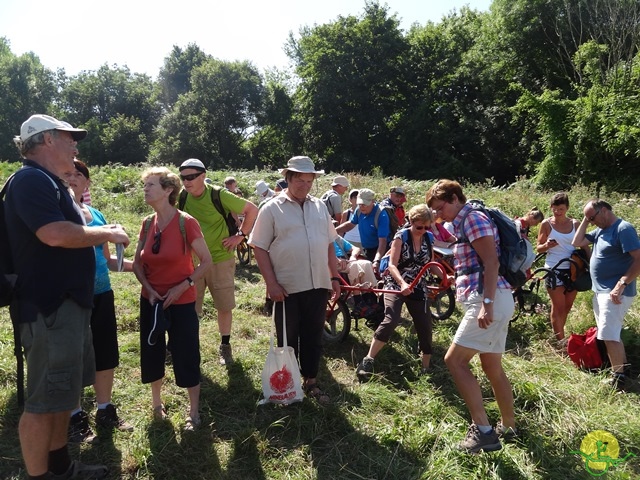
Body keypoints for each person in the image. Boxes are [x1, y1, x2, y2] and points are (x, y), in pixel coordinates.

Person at [7, 114, 130, 479]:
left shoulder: (50, 182)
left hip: (67, 308)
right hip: (49, 310)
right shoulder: (30, 180)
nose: (75, 145)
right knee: (42, 403)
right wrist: (106, 232)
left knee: (62, 395)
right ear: (46, 140)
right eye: (68, 137)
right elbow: (55, 234)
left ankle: (63, 467)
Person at [426, 179, 515, 454]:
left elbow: (492, 262)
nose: (439, 215)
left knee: (455, 361)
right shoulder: (463, 221)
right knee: (492, 367)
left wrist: (486, 304)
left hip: (487, 300)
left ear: (454, 198)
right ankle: (509, 426)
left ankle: (483, 432)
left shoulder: (473, 219)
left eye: (440, 208)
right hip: (493, 300)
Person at [249, 156, 341, 405]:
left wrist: (333, 276)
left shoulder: (320, 207)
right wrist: (271, 284)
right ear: (288, 178)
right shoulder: (271, 208)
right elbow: (259, 247)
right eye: (299, 179)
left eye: (309, 180)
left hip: (319, 283)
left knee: (313, 335)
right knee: (288, 338)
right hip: (286, 287)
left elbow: (329, 243)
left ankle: (311, 382)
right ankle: (286, 386)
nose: (304, 184)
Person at [133, 167, 212, 429]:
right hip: (152, 302)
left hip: (182, 301)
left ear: (168, 190)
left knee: (186, 353)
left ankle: (194, 412)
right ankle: (157, 404)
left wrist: (182, 286)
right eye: (144, 185)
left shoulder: (185, 222)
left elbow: (206, 262)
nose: (145, 189)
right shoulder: (146, 223)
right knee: (152, 352)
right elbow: (136, 265)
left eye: (151, 185)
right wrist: (150, 289)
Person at [65, 159, 134, 444]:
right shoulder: (59, 212)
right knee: (73, 355)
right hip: (71, 295)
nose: (72, 177)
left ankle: (104, 409)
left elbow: (107, 260)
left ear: (87, 182)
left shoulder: (96, 213)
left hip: (102, 292)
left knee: (106, 352)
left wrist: (142, 266)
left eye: (78, 174)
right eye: (67, 173)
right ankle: (74, 415)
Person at [179, 159, 258, 365]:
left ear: (203, 176)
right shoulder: (182, 196)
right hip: (193, 261)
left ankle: (225, 346)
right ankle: (189, 348)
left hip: (220, 259)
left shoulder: (218, 194)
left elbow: (252, 209)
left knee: (224, 305)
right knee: (189, 307)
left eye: (191, 177)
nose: (186, 182)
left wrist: (240, 236)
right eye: (183, 178)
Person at [356, 205, 437, 379]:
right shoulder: (401, 237)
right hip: (395, 282)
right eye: (419, 227)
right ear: (411, 222)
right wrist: (401, 284)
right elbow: (392, 265)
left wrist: (448, 277)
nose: (422, 231)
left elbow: (430, 263)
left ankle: (426, 366)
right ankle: (368, 359)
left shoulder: (429, 238)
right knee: (391, 319)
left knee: (425, 323)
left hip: (417, 284)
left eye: (426, 227)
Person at [572, 199, 640, 391]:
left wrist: (621, 283)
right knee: (611, 333)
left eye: (592, 218)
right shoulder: (601, 229)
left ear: (604, 211)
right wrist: (585, 220)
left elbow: (639, 259)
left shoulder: (623, 228)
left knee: (608, 335)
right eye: (589, 219)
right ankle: (624, 370)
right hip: (601, 291)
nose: (591, 222)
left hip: (615, 292)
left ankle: (617, 378)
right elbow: (577, 242)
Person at [536, 193, 584, 342]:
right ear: (551, 207)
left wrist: (589, 263)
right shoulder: (546, 224)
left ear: (567, 208)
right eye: (555, 209)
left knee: (567, 306)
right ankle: (561, 342)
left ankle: (559, 334)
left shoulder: (576, 224)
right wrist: (547, 245)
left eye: (561, 209)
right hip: (553, 268)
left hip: (573, 268)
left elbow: (584, 245)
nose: (557, 212)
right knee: (558, 307)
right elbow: (538, 248)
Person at [336, 188, 391, 273]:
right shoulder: (359, 210)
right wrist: (334, 230)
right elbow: (350, 224)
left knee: (379, 273)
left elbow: (382, 242)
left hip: (380, 250)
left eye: (365, 204)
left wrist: (377, 260)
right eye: (360, 204)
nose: (362, 207)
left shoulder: (381, 215)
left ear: (372, 201)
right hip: (366, 249)